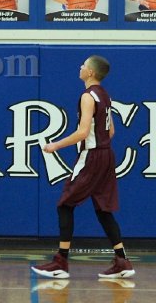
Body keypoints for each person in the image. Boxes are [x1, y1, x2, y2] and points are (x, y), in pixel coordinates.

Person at [31, 55, 135, 280]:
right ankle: (122, 261)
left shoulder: (88, 97)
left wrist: (55, 145)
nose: (80, 67)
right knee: (103, 209)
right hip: (107, 155)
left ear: (90, 72)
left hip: (92, 156)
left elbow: (82, 132)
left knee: (65, 205)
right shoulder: (105, 95)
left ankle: (60, 261)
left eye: (84, 65)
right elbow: (111, 131)